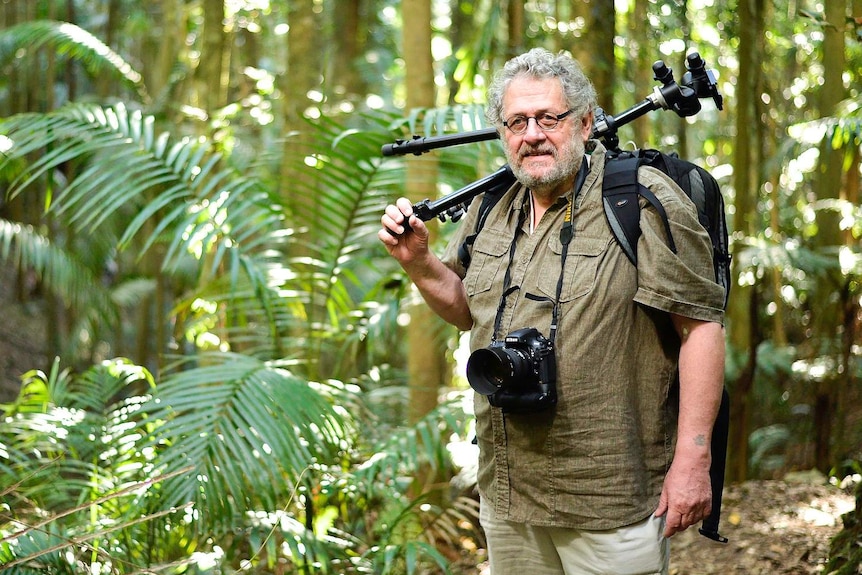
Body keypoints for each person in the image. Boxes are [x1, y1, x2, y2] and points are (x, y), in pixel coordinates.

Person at [378, 48, 726, 575]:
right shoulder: (491, 208)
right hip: (509, 491)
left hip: (608, 496)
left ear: (586, 123)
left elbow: (700, 327)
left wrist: (693, 462)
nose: (532, 134)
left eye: (549, 118)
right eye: (517, 121)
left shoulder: (642, 201)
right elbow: (467, 309)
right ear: (502, 132)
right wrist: (420, 263)